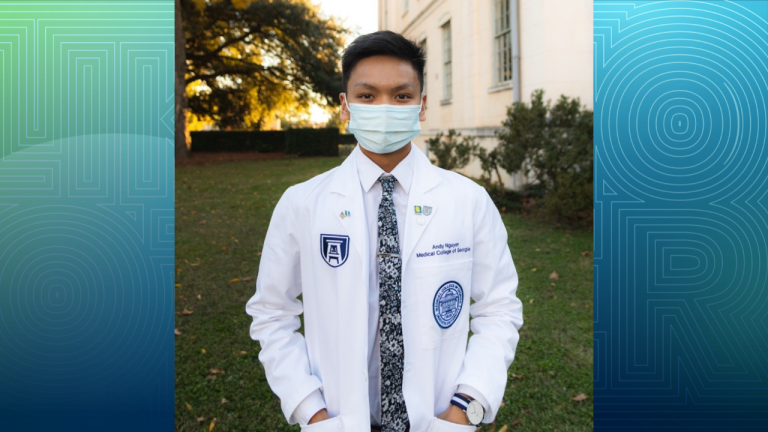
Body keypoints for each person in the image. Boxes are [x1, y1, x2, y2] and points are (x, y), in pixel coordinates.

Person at [245, 30, 523, 432]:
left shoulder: (469, 200)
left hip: (439, 418)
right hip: (339, 419)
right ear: (345, 106)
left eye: (401, 96)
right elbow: (272, 312)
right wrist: (311, 411)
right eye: (368, 95)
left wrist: (468, 406)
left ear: (422, 106)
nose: (385, 107)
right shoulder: (302, 203)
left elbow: (499, 307)